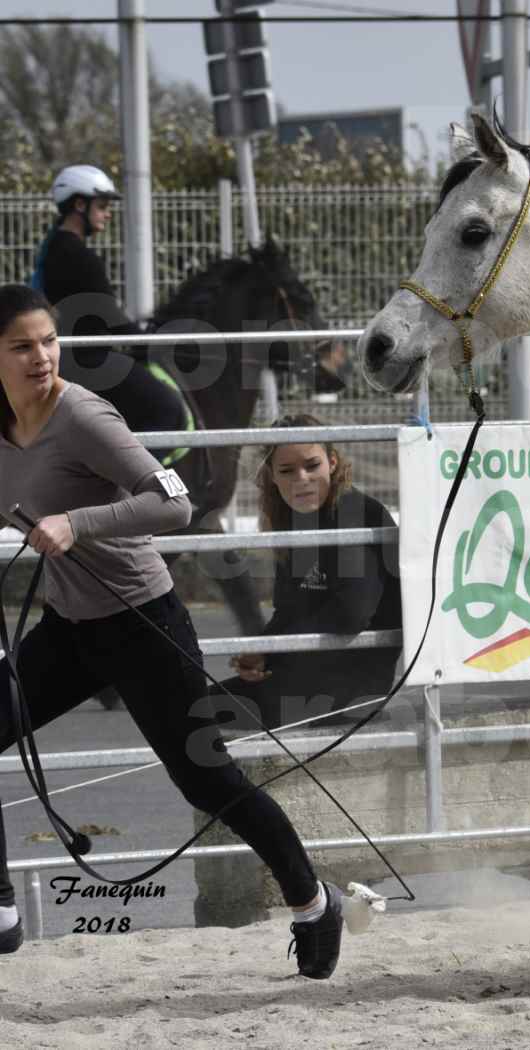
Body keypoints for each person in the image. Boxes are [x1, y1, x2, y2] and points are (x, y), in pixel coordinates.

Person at [0, 285, 344, 973]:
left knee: (205, 779)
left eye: (48, 341)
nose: (41, 357)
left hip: (142, 621)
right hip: (69, 626)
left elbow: (174, 502)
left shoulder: (83, 416)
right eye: (21, 347)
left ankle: (313, 901)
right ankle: (3, 908)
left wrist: (79, 523)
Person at [201, 415, 402, 731]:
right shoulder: (291, 519)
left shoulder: (356, 511)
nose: (301, 478)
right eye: (286, 470)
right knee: (190, 710)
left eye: (312, 465)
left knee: (195, 714)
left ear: (332, 462)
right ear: (272, 476)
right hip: (306, 672)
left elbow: (351, 614)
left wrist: (273, 648)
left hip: (354, 684)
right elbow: (289, 610)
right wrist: (262, 651)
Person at [30, 165, 188, 455]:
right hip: (88, 359)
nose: (108, 213)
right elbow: (109, 317)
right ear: (79, 204)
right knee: (168, 408)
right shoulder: (78, 255)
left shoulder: (55, 248)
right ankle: (135, 484)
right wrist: (147, 344)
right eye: (102, 205)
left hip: (75, 355)